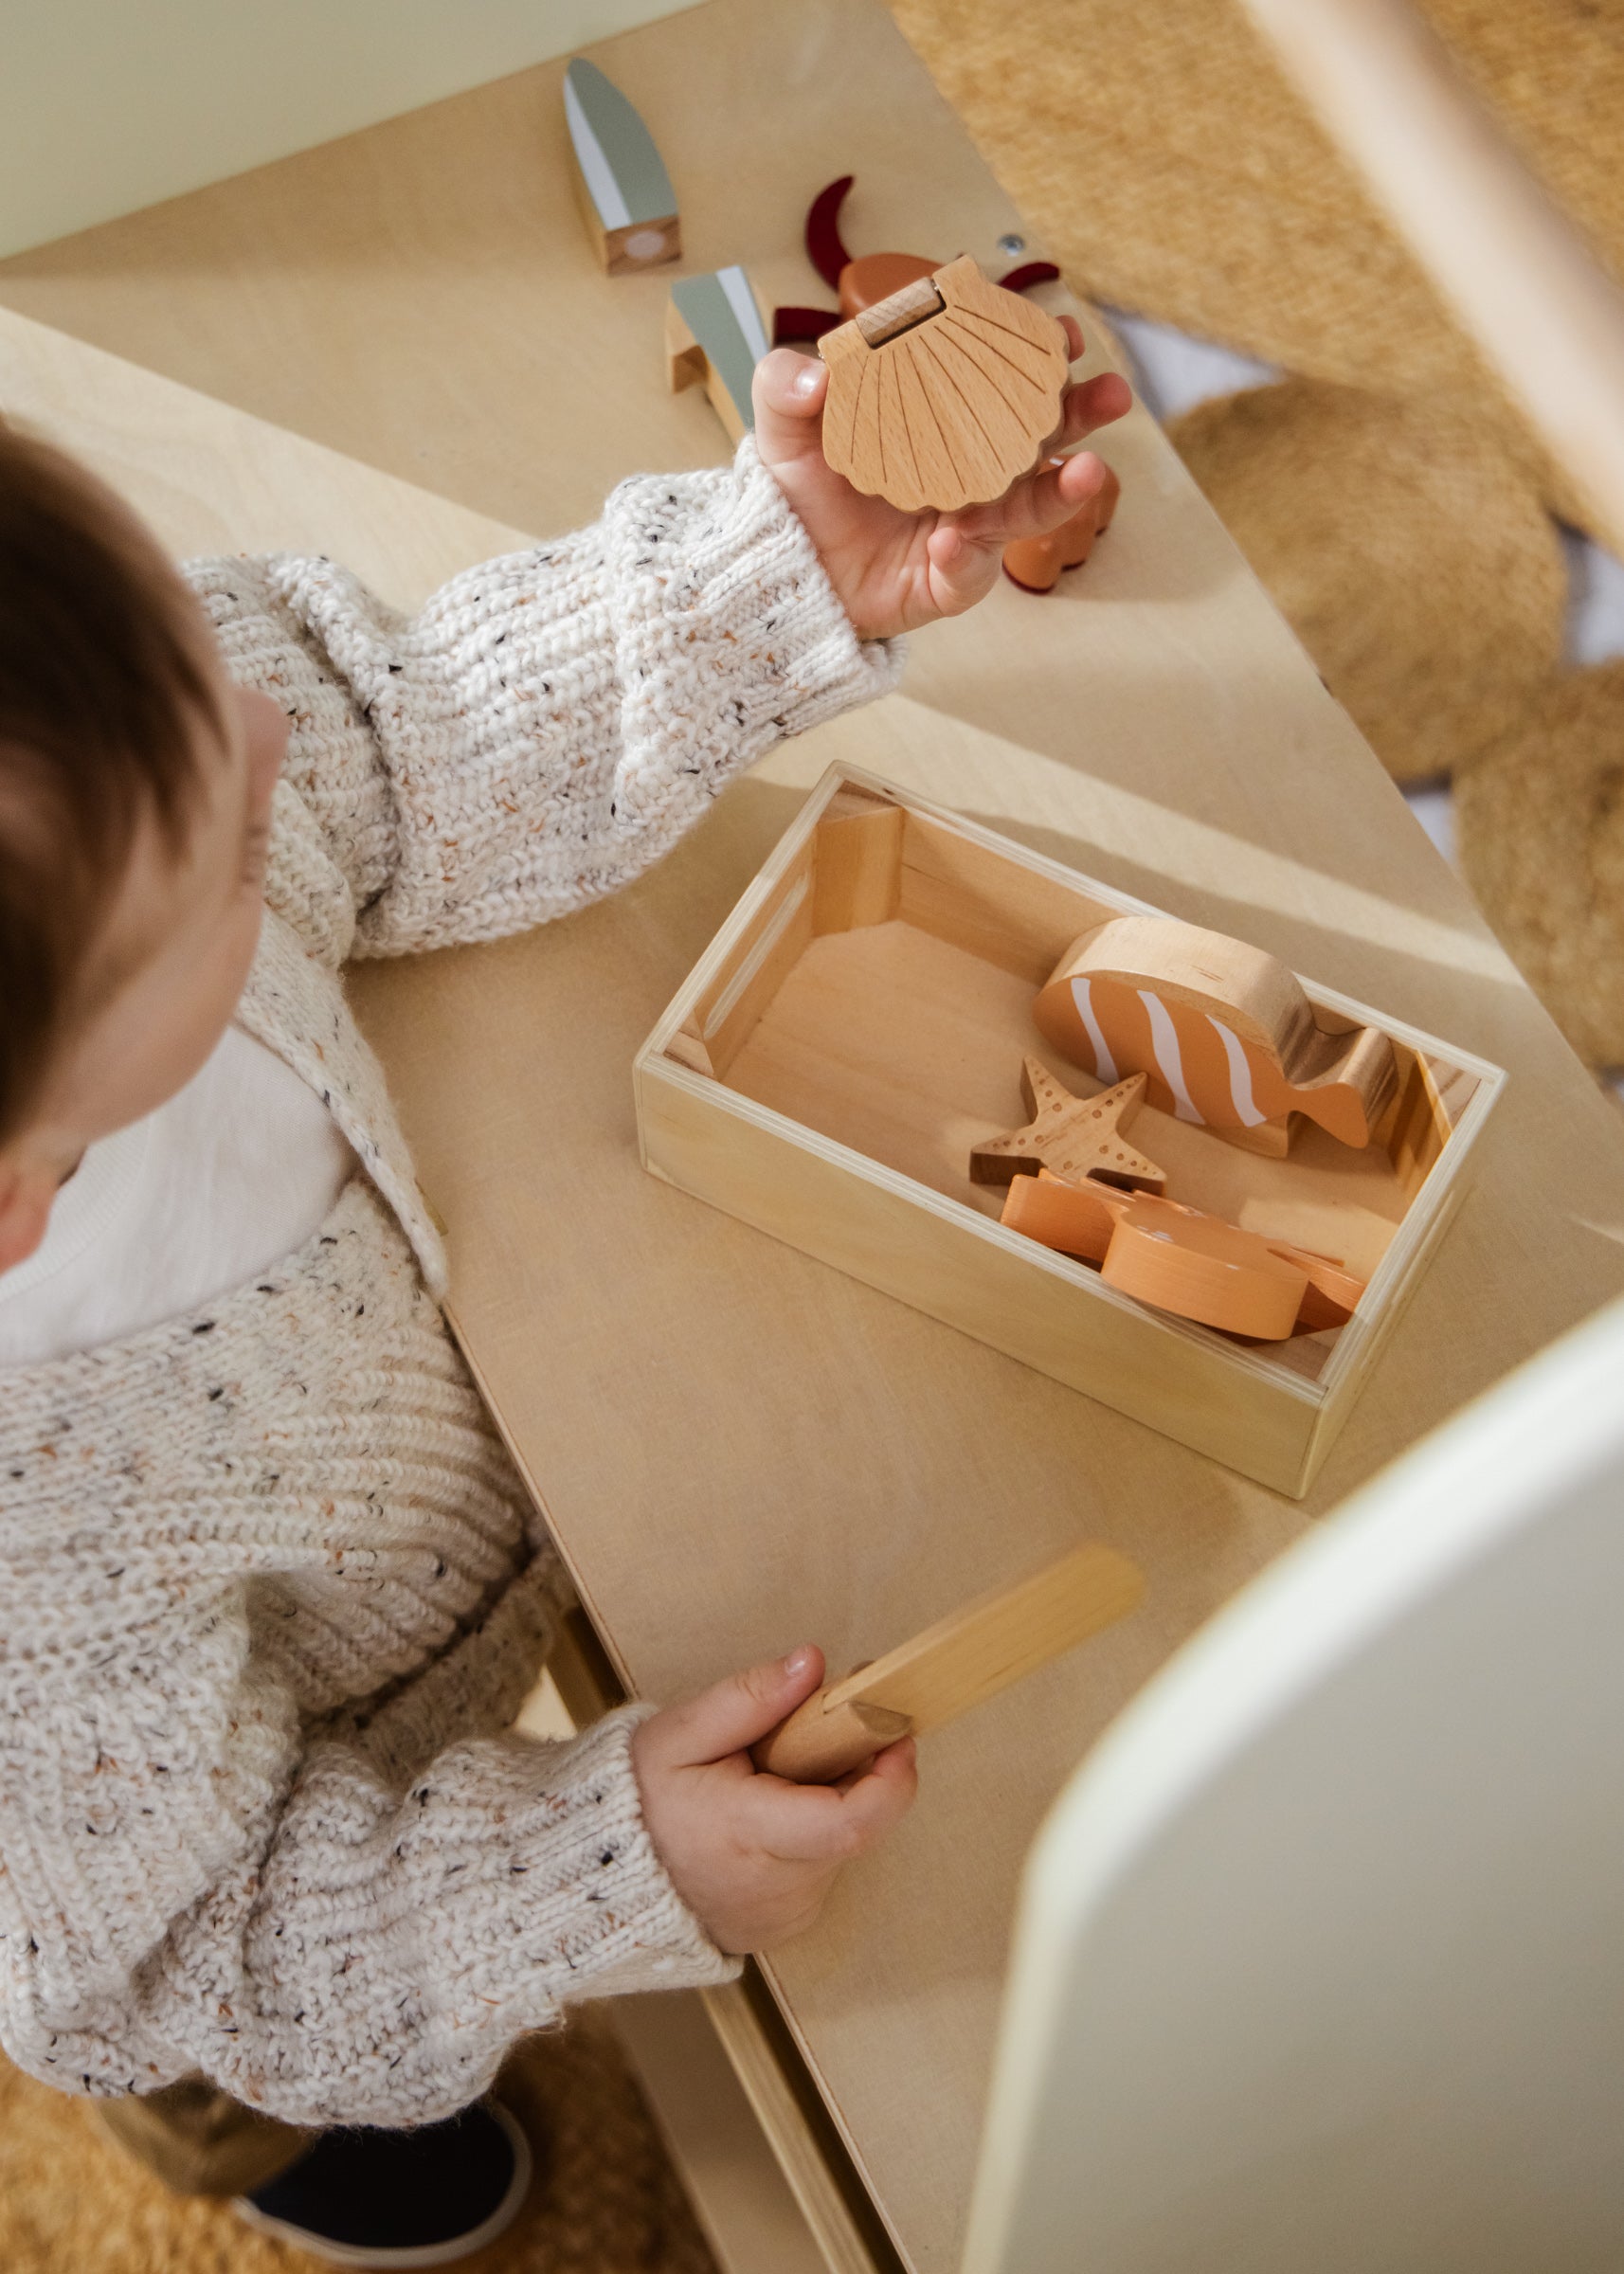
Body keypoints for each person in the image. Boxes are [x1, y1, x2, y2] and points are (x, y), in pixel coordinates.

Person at [0, 332, 1129, 2267]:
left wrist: (766, 565)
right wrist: (586, 1874)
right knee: (217, 2063)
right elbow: (205, 1935)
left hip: (490, 1484)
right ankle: (251, 2164)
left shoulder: (138, 772)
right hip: (190, 1846)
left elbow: (377, 736)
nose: (266, 746)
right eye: (233, 853)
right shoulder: (41, 1588)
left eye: (211, 672)